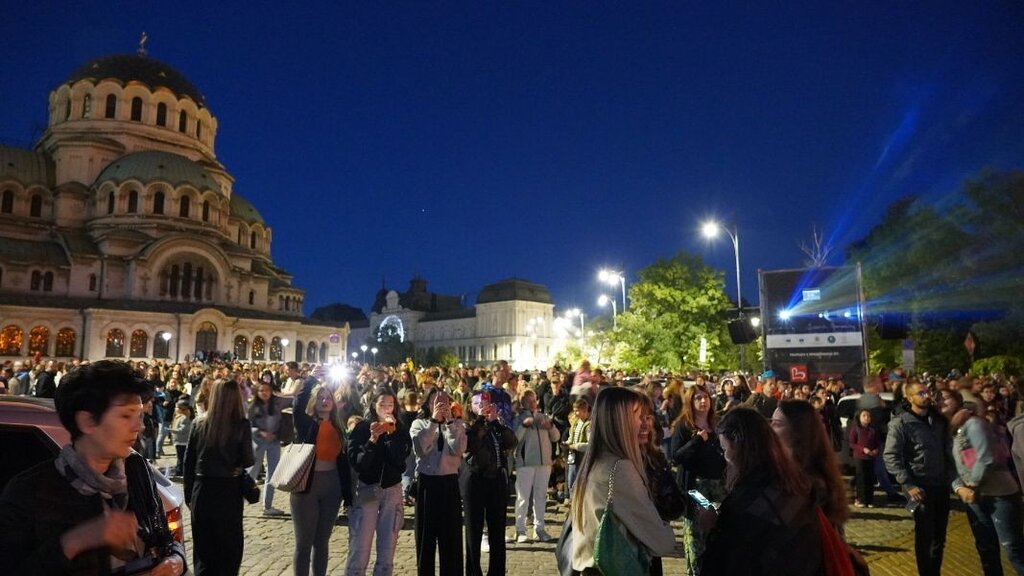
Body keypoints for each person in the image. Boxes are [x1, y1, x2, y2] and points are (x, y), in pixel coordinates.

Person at [0, 360, 187, 575]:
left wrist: (176, 559)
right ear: (87, 421)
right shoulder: (29, 491)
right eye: (126, 416)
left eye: (140, 416)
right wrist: (76, 541)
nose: (139, 426)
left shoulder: (136, 470)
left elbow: (164, 537)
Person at [700, 407, 822, 575]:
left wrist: (713, 527)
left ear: (738, 446)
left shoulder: (746, 502)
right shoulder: (794, 481)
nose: (724, 457)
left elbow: (725, 561)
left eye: (724, 449)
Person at [570, 387, 675, 575]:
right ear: (621, 421)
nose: (644, 424)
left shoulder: (595, 461)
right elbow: (661, 541)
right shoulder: (620, 468)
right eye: (638, 417)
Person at [884, 379, 958, 576]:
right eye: (921, 393)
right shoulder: (901, 423)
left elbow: (947, 450)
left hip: (940, 484)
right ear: (909, 398)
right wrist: (907, 484)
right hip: (919, 487)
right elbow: (891, 456)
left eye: (927, 392)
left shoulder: (938, 421)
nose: (926, 396)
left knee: (939, 536)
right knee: (925, 535)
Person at [183, 378, 254, 575]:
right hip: (228, 491)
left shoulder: (199, 422)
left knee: (204, 550)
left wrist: (189, 496)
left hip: (202, 488)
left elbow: (188, 462)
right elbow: (248, 460)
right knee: (229, 549)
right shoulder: (241, 424)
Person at [950, 398, 1024, 575]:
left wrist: (972, 484)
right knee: (986, 548)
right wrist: (958, 487)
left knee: (1012, 548)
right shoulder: (949, 430)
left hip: (999, 493)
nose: (938, 401)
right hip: (974, 497)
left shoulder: (974, 424)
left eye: (945, 398)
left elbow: (987, 458)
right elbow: (950, 466)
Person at [345, 389, 412, 576]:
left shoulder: (400, 429)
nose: (386, 409)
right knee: (360, 546)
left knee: (387, 548)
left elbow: (401, 460)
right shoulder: (362, 428)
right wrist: (372, 440)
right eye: (382, 404)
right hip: (367, 489)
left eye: (390, 405)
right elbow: (358, 462)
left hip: (392, 489)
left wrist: (392, 435)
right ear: (374, 405)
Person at [291, 384, 352, 576]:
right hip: (307, 485)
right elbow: (297, 405)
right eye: (320, 397)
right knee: (304, 543)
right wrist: (311, 379)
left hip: (332, 486)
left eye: (328, 397)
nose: (325, 401)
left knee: (322, 541)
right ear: (313, 401)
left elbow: (343, 462)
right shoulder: (305, 422)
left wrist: (348, 496)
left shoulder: (338, 426)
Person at [669, 383, 726, 576]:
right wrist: (697, 441)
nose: (703, 401)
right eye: (698, 398)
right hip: (696, 489)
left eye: (706, 397)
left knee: (718, 530)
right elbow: (675, 457)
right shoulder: (683, 426)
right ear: (690, 401)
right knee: (696, 534)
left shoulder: (717, 424)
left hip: (718, 487)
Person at [410, 387, 467, 576]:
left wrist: (450, 424)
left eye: (444, 402)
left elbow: (459, 449)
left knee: (450, 539)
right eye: (435, 402)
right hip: (427, 483)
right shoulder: (419, 424)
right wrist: (433, 422)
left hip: (449, 483)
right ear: (428, 404)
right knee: (425, 539)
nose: (440, 406)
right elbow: (421, 449)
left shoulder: (457, 424)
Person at [462, 389, 517, 576]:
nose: (482, 406)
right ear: (470, 406)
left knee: (497, 531)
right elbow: (470, 445)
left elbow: (511, 442)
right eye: (478, 403)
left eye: (485, 403)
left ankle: (497, 571)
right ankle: (473, 572)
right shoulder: (467, 426)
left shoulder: (495, 424)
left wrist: (496, 423)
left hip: (496, 480)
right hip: (475, 480)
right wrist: (480, 420)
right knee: (474, 531)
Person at [772, 399, 850, 530]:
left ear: (797, 430)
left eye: (777, 424)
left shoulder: (811, 481)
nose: (771, 428)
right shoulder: (783, 467)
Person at [511, 388, 560, 543]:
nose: (532, 404)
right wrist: (524, 426)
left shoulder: (543, 417)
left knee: (540, 496)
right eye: (529, 401)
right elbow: (514, 439)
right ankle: (520, 529)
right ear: (523, 403)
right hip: (525, 463)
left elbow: (556, 437)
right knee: (523, 497)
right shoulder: (519, 418)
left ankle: (539, 529)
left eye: (534, 400)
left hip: (544, 463)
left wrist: (550, 427)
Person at [248, 381, 290, 516]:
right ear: (257, 392)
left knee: (272, 473)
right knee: (252, 472)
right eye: (261, 390)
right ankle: (238, 502)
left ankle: (268, 506)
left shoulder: (276, 404)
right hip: (258, 442)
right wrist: (260, 432)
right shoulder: (253, 407)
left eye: (267, 390)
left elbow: (293, 398)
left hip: (274, 442)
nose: (265, 393)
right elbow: (247, 425)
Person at [848, 409, 881, 508]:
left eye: (868, 416)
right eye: (864, 415)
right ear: (859, 417)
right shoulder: (855, 429)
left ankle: (870, 500)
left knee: (870, 479)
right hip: (860, 457)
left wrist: (876, 450)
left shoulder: (873, 430)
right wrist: (862, 449)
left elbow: (878, 443)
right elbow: (852, 443)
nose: (866, 418)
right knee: (861, 478)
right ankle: (860, 499)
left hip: (871, 457)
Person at [564, 397, 591, 500]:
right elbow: (571, 438)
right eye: (574, 411)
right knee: (571, 479)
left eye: (577, 411)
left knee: (582, 481)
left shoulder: (589, 425)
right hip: (573, 455)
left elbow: (589, 444)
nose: (575, 413)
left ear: (584, 411)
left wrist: (575, 446)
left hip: (582, 456)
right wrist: (566, 443)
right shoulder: (575, 423)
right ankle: (572, 499)